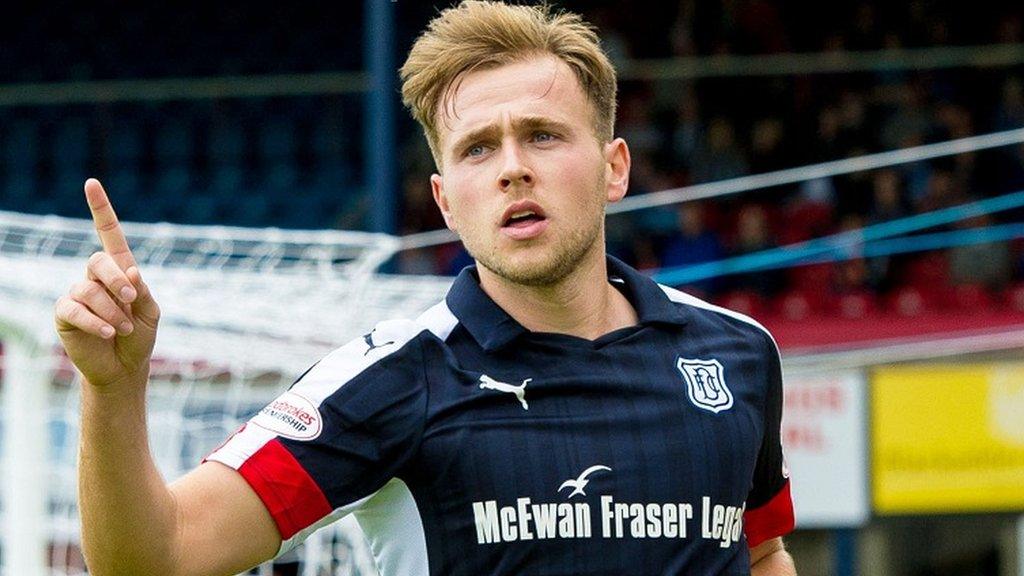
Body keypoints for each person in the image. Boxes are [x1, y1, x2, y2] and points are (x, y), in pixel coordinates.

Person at [54, 2, 796, 574]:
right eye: (479, 148)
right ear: (446, 201)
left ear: (614, 167)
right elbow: (160, 556)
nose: (512, 167)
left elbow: (762, 554)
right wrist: (111, 391)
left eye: (542, 134)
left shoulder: (736, 355)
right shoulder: (390, 382)